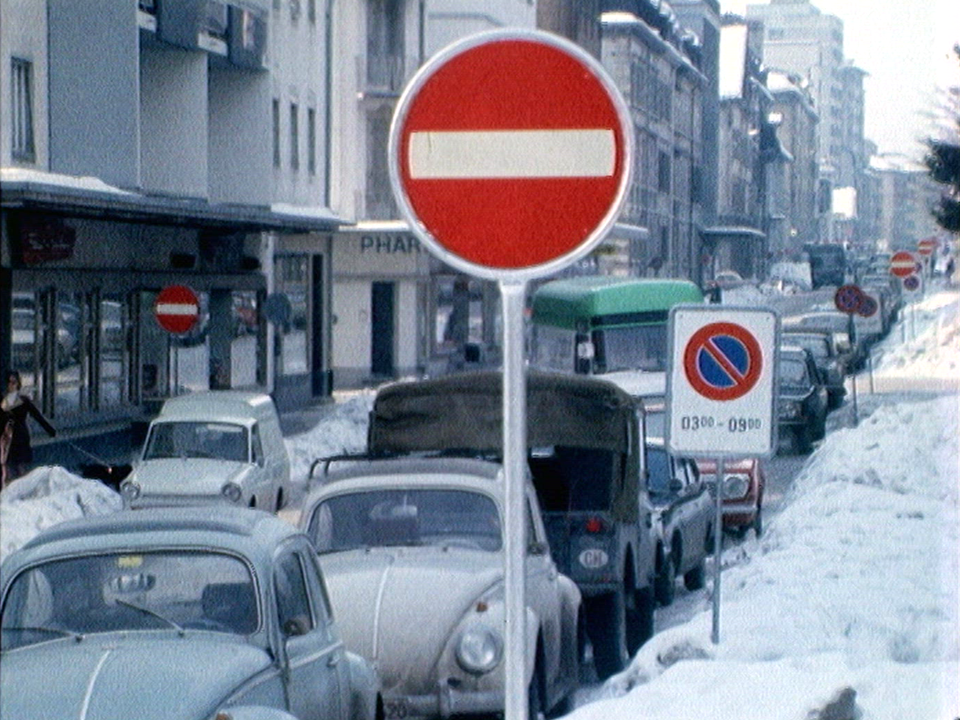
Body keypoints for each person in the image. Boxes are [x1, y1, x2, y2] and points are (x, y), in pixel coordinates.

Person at [1, 371, 56, 485]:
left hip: (20, 436)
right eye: (9, 382)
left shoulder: (23, 400)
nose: (11, 385)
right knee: (8, 466)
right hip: (6, 438)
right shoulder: (2, 401)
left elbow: (37, 416)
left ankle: (23, 489)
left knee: (21, 466)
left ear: (18, 384)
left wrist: (49, 429)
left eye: (14, 382)